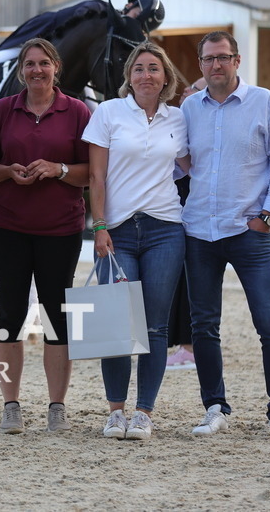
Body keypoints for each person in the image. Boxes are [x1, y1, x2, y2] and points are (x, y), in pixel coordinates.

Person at [181, 30, 270, 441]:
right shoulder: (189, 108)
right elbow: (180, 164)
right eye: (209, 59)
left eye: (224, 57)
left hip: (250, 231)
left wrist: (268, 215)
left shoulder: (263, 101)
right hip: (200, 232)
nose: (217, 65)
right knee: (203, 326)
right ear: (200, 65)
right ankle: (214, 408)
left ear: (238, 60)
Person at [0, 37, 91, 434]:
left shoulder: (77, 111)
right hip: (8, 227)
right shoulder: (3, 110)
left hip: (62, 229)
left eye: (44, 63)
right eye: (29, 64)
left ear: (56, 67)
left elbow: (92, 173)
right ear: (21, 69)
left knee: (57, 317)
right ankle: (11, 405)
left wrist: (58, 169)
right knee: (9, 316)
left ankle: (57, 406)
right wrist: (10, 172)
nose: (36, 70)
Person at [82, 42, 190, 440]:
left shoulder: (178, 119)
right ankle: (115, 411)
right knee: (116, 324)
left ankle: (144, 412)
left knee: (156, 328)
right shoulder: (109, 112)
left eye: (154, 69)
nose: (146, 75)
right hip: (118, 230)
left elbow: (193, 165)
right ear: (129, 75)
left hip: (166, 229)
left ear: (166, 78)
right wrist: (99, 226)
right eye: (139, 68)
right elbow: (96, 177)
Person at [166, 77, 206, 371]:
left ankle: (191, 347)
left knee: (191, 277)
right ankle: (185, 344)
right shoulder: (183, 121)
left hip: (192, 205)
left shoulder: (197, 125)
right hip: (179, 203)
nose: (185, 91)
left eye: (193, 88)